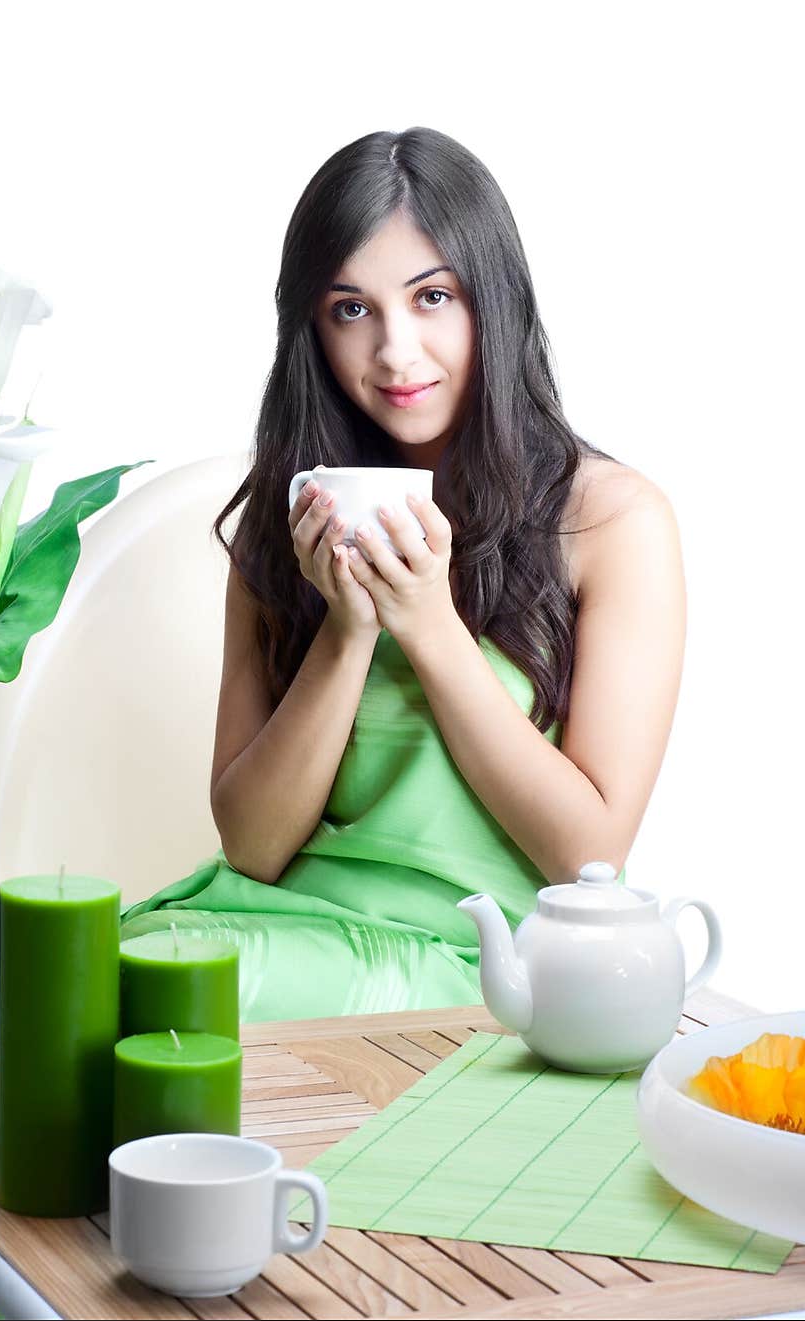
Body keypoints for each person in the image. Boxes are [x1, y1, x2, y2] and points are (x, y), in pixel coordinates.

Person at [119, 126, 686, 1022]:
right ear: (311, 327)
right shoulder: (289, 514)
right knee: (89, 974)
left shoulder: (614, 521)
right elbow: (255, 847)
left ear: (492, 300)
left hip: (480, 961)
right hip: (282, 924)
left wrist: (428, 624)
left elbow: (590, 858)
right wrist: (347, 631)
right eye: (351, 309)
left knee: (151, 996)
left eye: (431, 297)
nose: (393, 351)